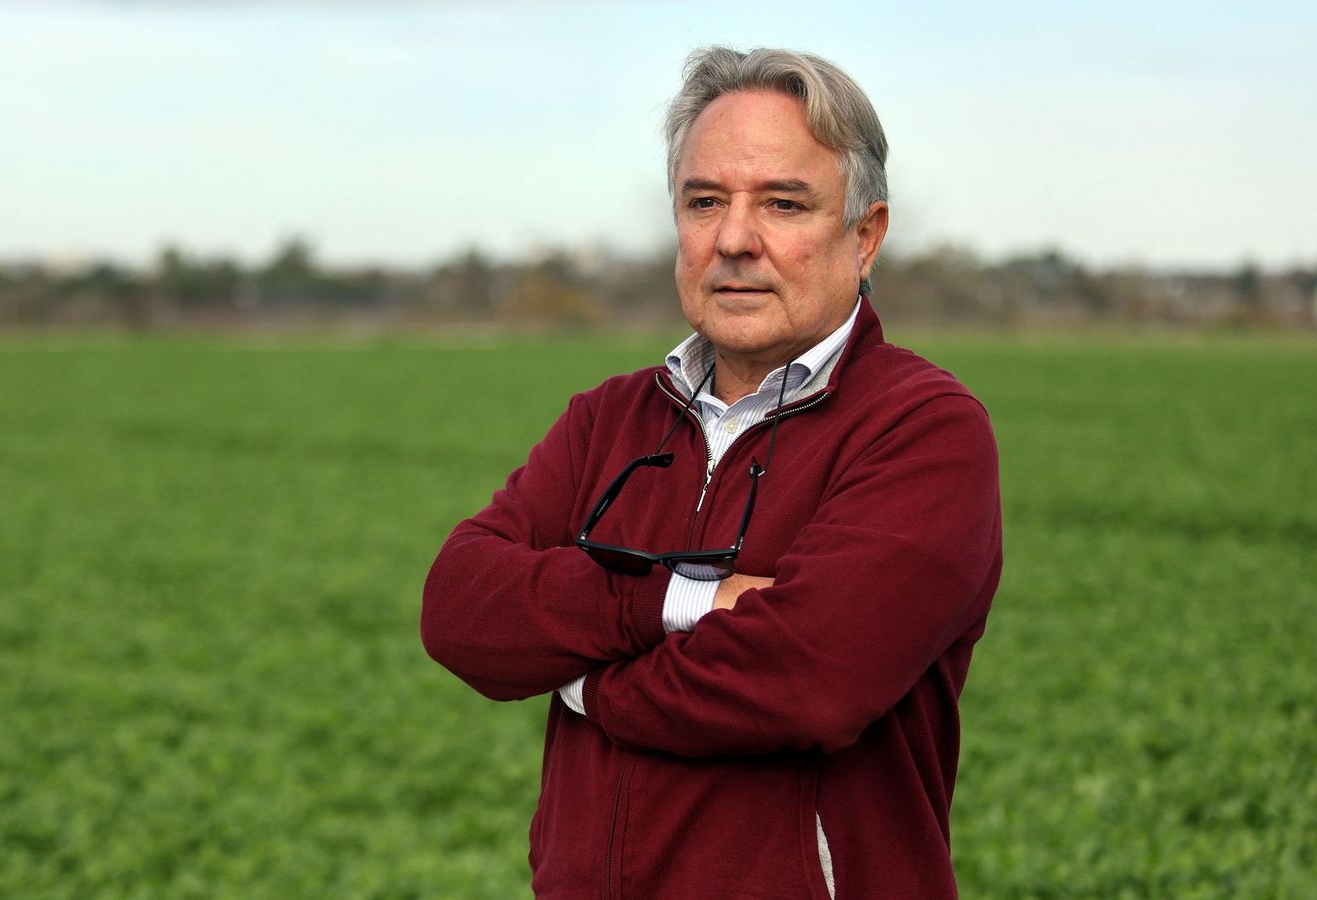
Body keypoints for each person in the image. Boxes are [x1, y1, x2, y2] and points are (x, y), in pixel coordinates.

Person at [421, 46, 1002, 899]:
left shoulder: (922, 430)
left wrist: (583, 683)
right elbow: (459, 607)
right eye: (704, 202)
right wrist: (675, 603)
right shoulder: (608, 419)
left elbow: (808, 681)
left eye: (782, 203)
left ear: (865, 235)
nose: (734, 239)